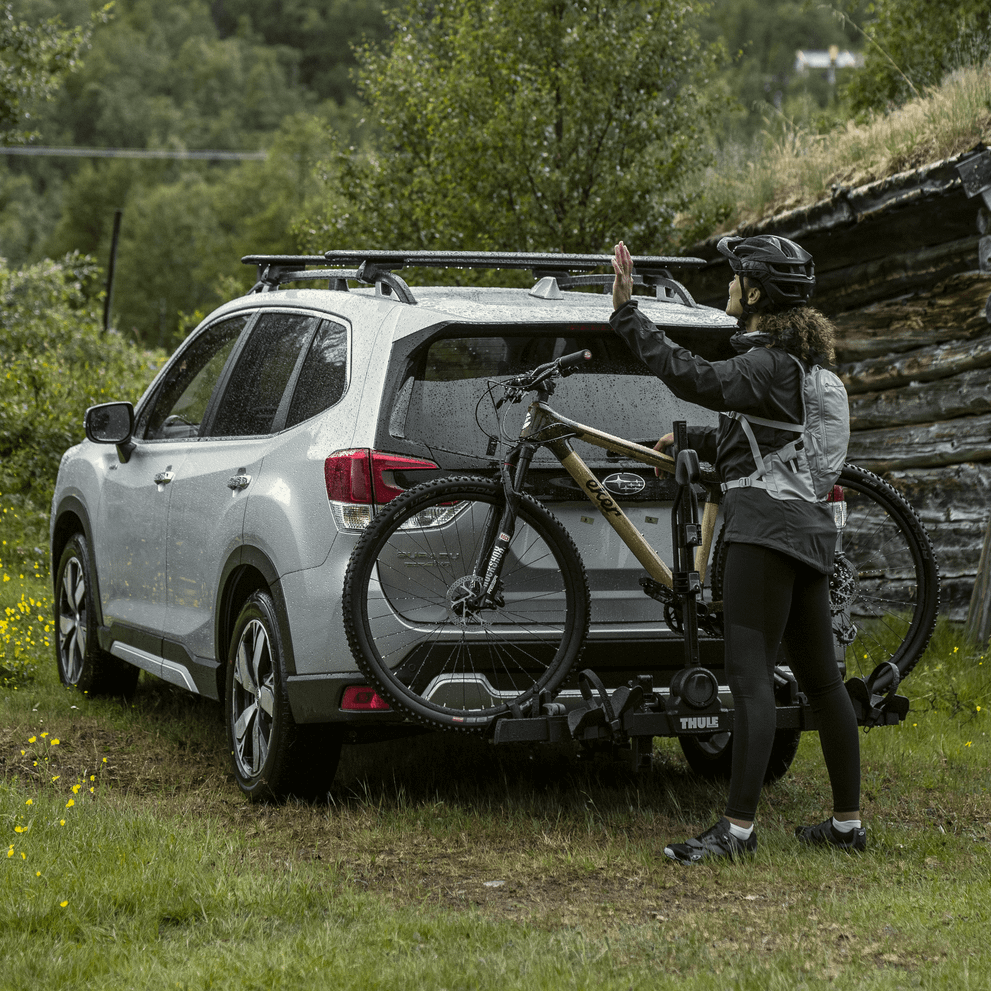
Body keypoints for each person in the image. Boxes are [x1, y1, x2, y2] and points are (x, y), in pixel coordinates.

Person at [609, 235, 865, 864]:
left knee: (750, 681)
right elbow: (763, 435)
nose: (726, 287)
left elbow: (696, 377)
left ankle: (737, 832)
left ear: (755, 291)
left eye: (733, 278)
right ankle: (846, 825)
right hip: (807, 532)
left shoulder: (767, 363)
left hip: (762, 532)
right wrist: (692, 439)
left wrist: (627, 315)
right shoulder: (794, 364)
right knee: (824, 684)